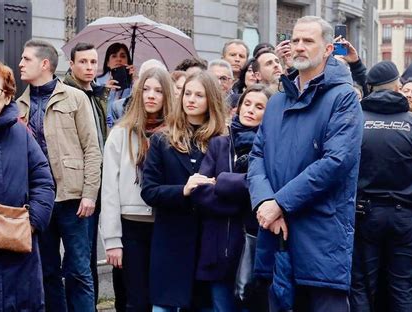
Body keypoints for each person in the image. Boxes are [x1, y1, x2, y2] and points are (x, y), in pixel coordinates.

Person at [248, 16, 363, 311]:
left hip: (321, 239)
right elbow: (257, 155)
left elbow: (336, 162)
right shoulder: (276, 101)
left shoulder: (343, 98)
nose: (299, 47)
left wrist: (280, 203)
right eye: (296, 39)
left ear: (327, 50)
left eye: (308, 41)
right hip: (276, 235)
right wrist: (264, 202)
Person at [350, 60, 412, 312]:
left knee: (361, 287)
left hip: (363, 217)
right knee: (402, 291)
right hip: (404, 219)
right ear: (397, 86)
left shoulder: (355, 122)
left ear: (371, 88)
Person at [17, 39, 102, 312]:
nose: (20, 63)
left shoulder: (75, 98)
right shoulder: (19, 106)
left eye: (26, 59)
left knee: (79, 270)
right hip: (39, 202)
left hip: (73, 200)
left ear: (44, 64)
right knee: (48, 271)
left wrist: (90, 194)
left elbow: (92, 149)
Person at [141, 71, 227, 311]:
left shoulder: (222, 140)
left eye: (199, 95)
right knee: (165, 305)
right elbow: (149, 191)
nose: (191, 99)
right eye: (187, 93)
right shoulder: (162, 140)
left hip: (208, 240)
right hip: (170, 240)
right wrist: (184, 190)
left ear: (211, 100)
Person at [191, 84, 273, 311]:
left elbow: (268, 190)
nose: (250, 110)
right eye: (247, 104)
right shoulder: (219, 144)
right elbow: (200, 192)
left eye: (259, 107)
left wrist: (224, 182)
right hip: (218, 249)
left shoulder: (271, 148)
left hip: (254, 249)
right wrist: (244, 198)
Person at [101, 67, 173, 312]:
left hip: (166, 223)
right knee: (135, 300)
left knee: (162, 299)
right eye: (146, 90)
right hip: (131, 225)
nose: (151, 96)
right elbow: (109, 188)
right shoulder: (121, 133)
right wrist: (112, 240)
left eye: (159, 91)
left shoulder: (175, 134)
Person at [0, 61, 55, 311]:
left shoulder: (21, 135)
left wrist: (32, 223)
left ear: (8, 96)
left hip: (17, 250)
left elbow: (43, 180)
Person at [63, 42, 109, 311]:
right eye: (83, 62)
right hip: (78, 184)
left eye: (93, 62)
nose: (90, 67)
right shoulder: (67, 93)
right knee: (78, 256)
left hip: (99, 179)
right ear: (71, 64)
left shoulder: (99, 95)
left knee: (89, 252)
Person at [96, 43, 135, 127]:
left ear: (128, 61)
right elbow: (97, 110)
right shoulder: (98, 82)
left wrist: (136, 82)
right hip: (106, 130)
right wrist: (106, 91)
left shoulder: (134, 83)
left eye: (123, 56)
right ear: (107, 63)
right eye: (114, 56)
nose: (119, 59)